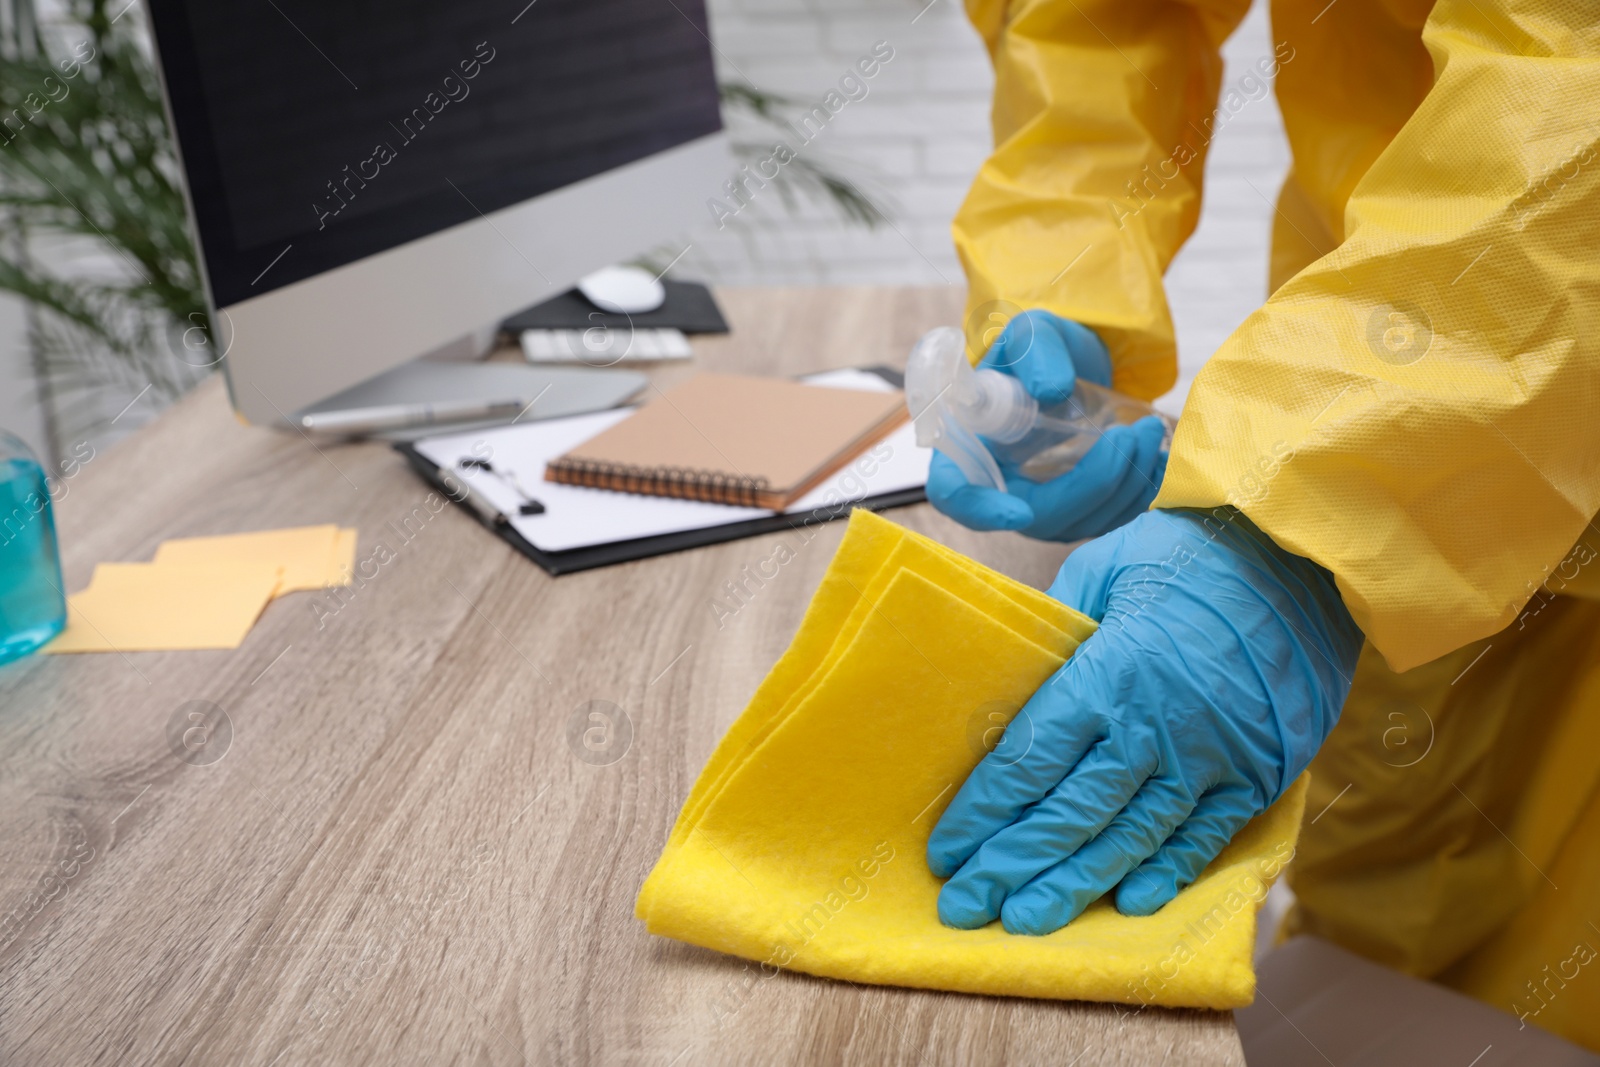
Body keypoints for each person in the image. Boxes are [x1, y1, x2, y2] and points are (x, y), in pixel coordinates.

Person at [924, 0, 1600, 1050]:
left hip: (1484, 373)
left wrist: (1320, 490)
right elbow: (1091, 18)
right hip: (1405, 393)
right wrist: (1062, 276)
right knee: (1369, 932)